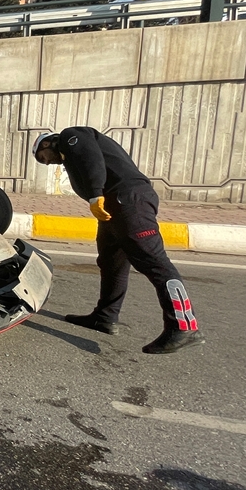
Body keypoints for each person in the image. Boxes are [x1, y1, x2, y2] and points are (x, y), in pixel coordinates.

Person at [33, 128, 204, 354]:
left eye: (43, 159)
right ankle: (105, 317)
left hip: (129, 202)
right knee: (111, 261)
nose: (48, 164)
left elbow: (89, 157)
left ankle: (183, 325)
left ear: (45, 144)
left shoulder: (71, 136)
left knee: (154, 262)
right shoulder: (70, 153)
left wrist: (95, 193)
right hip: (116, 206)